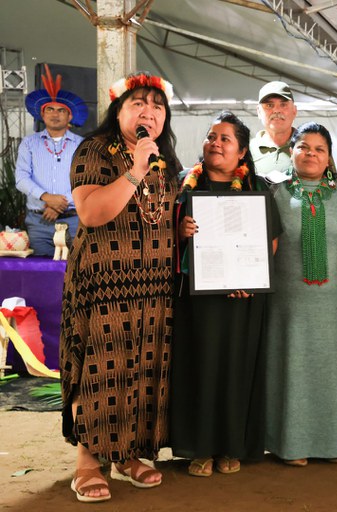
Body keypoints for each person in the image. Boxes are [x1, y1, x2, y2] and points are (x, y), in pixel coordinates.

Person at [60, 72, 180, 502]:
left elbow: (160, 215)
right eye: (138, 104)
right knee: (100, 371)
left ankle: (127, 455)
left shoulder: (166, 159)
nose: (149, 112)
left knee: (144, 371)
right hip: (104, 284)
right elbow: (91, 213)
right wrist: (134, 170)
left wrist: (181, 225)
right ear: (119, 111)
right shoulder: (94, 150)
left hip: (153, 286)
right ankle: (88, 464)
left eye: (157, 105)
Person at [170, 111, 281, 477]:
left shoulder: (258, 188)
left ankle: (232, 446)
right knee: (199, 367)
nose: (215, 143)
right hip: (197, 301)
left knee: (237, 368)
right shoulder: (184, 186)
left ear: (242, 151)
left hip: (243, 299)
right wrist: (181, 232)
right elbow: (162, 245)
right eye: (211, 136)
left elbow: (272, 241)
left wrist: (247, 277)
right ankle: (199, 448)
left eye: (225, 139)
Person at [262, 122, 337, 465]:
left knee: (331, 371)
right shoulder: (271, 188)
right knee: (289, 369)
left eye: (319, 149)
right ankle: (290, 446)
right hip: (285, 303)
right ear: (292, 150)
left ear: (330, 156)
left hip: (334, 304)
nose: (311, 154)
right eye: (303, 147)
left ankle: (333, 444)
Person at [15, 64, 87, 255]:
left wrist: (59, 204)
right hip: (39, 222)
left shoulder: (83, 145)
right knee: (41, 273)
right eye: (50, 110)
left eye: (61, 110)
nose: (55, 114)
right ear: (42, 114)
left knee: (76, 273)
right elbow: (21, 179)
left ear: (69, 115)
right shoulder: (29, 143)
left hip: (74, 220)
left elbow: (88, 180)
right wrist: (47, 197)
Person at [250, 81, 298, 176]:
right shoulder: (247, 150)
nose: (276, 110)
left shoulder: (310, 147)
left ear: (294, 110)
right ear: (258, 112)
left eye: (283, 104)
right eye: (269, 105)